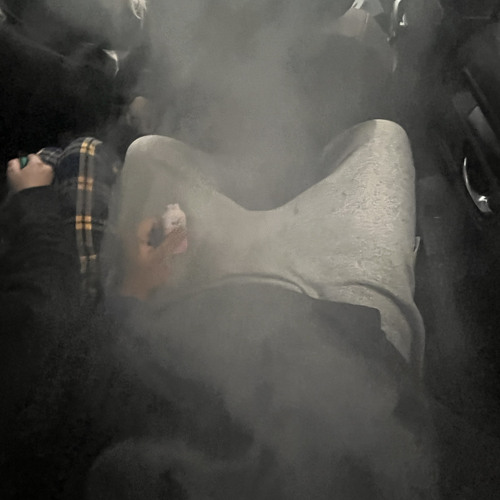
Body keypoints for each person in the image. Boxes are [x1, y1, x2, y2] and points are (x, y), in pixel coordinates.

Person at [93, 119, 439, 498]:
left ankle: (256, 167)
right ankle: (274, 166)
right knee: (381, 136)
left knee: (150, 154)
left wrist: (134, 290)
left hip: (180, 319)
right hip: (344, 318)